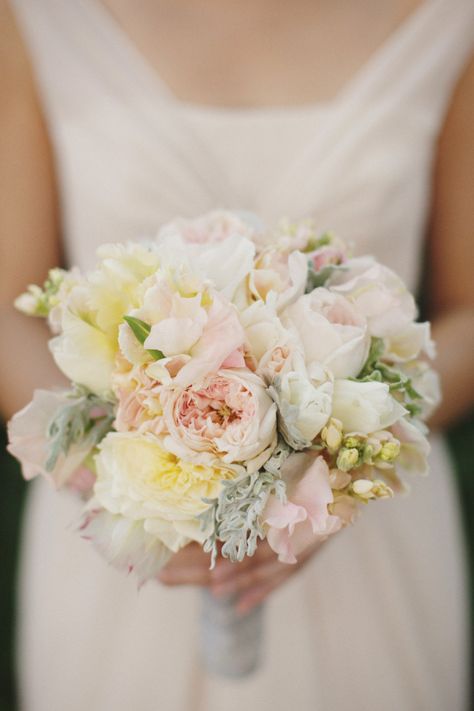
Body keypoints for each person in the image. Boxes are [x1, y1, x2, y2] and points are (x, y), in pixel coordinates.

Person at [1, 0, 473, 709]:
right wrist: (138, 489)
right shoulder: (37, 15)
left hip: (370, 548)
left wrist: (338, 476)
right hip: (119, 552)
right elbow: (10, 311)